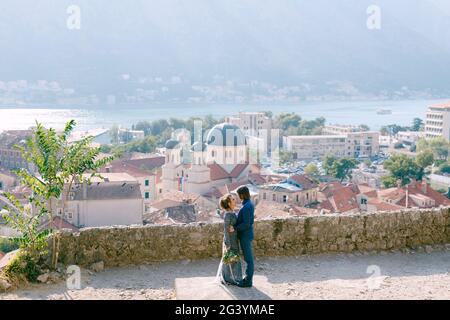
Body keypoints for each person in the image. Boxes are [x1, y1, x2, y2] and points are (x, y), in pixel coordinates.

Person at [216, 194, 243, 286]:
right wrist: (228, 244)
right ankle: (230, 278)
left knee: (233, 259)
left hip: (234, 239)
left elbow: (233, 227)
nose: (235, 201)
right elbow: (226, 230)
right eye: (233, 200)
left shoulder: (231, 212)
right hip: (230, 241)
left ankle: (234, 277)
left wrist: (234, 228)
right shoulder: (228, 215)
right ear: (228, 203)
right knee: (230, 259)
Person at [231, 186, 255, 288]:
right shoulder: (248, 204)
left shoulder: (247, 207)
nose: (237, 197)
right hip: (246, 234)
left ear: (242, 195)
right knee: (247, 258)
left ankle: (248, 281)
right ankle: (247, 279)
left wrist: (235, 228)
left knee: (249, 259)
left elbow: (246, 224)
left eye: (238, 195)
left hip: (245, 235)